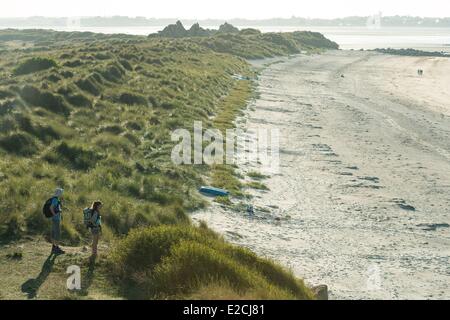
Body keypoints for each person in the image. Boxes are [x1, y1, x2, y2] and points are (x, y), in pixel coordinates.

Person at [50, 188, 65, 255]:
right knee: (57, 233)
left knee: (54, 233)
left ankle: (54, 247)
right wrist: (55, 215)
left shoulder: (55, 199)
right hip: (56, 219)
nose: (62, 194)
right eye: (61, 193)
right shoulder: (55, 199)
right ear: (59, 193)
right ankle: (56, 248)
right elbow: (51, 208)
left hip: (54, 218)